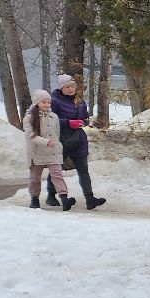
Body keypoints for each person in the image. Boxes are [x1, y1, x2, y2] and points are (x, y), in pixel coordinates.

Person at [48, 74, 105, 210]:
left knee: (83, 170)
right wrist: (68, 123)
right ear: (61, 88)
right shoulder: (54, 101)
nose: (70, 89)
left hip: (78, 140)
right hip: (61, 139)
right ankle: (51, 196)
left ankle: (90, 199)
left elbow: (84, 118)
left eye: (72, 86)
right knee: (57, 170)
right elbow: (50, 120)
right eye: (67, 87)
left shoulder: (79, 101)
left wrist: (87, 121)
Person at [24, 92, 73, 210]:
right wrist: (45, 142)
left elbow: (57, 133)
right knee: (35, 178)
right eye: (44, 102)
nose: (47, 104)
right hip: (36, 152)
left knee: (57, 175)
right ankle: (34, 199)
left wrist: (56, 144)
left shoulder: (54, 116)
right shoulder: (30, 117)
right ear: (37, 103)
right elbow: (30, 135)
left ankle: (64, 197)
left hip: (53, 151)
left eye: (48, 102)